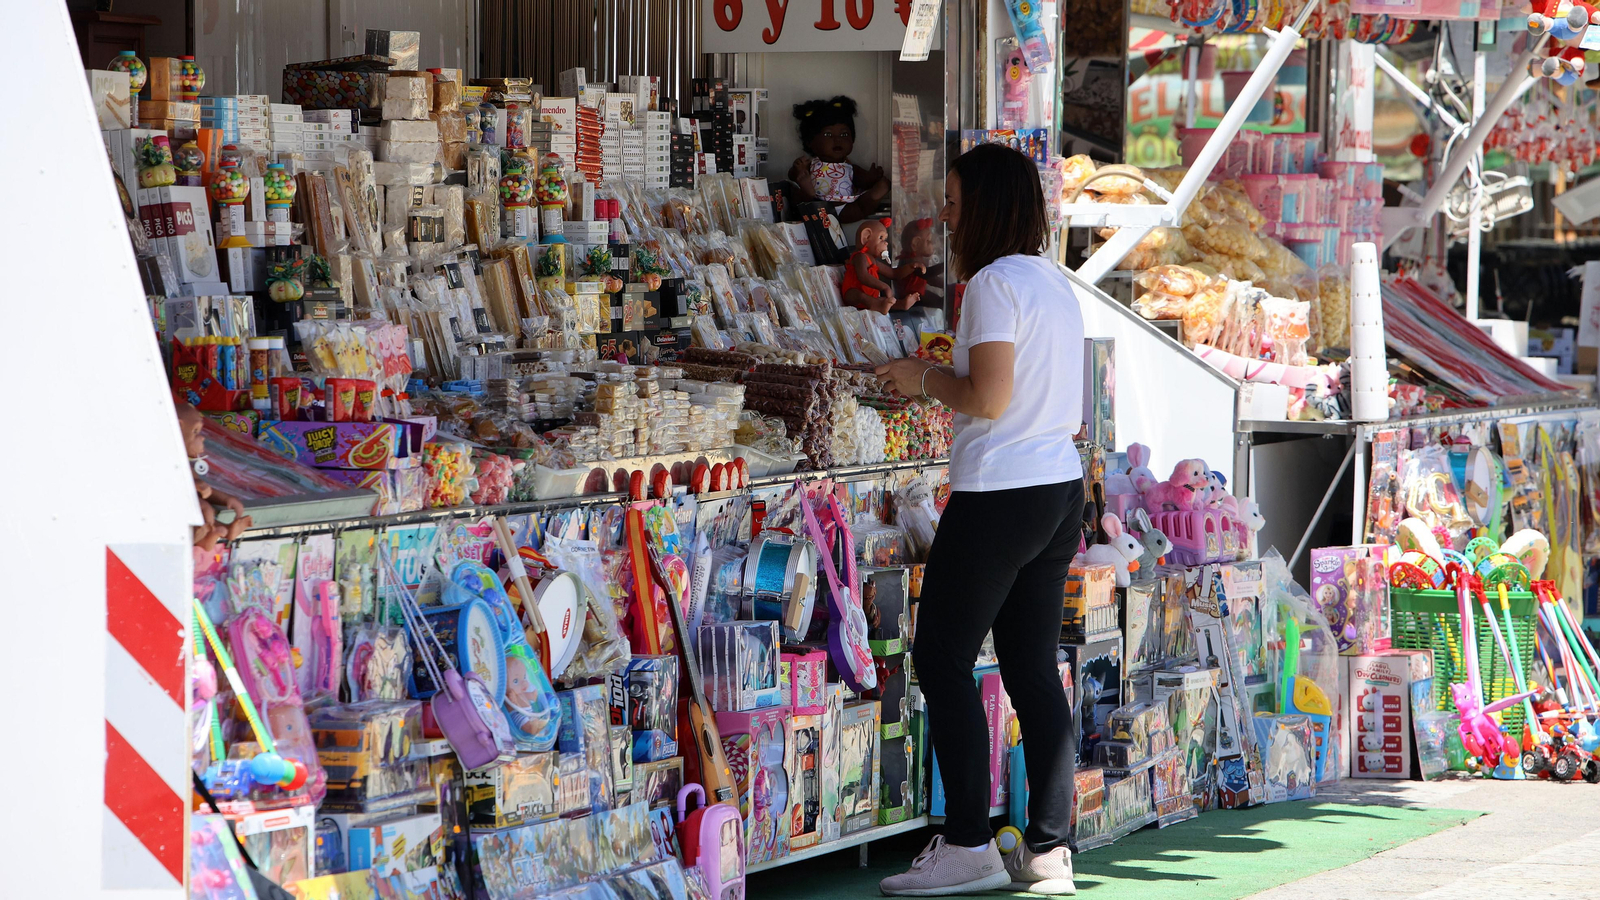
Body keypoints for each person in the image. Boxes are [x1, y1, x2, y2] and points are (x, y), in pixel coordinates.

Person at [874, 143, 1086, 897]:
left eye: (956, 203)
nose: (945, 217)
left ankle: (967, 840)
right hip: (1057, 487)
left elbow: (988, 398)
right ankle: (1051, 849)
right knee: (1030, 667)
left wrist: (922, 377)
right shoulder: (1053, 281)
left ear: (987, 209)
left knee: (941, 658)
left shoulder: (994, 285)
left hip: (1002, 491)